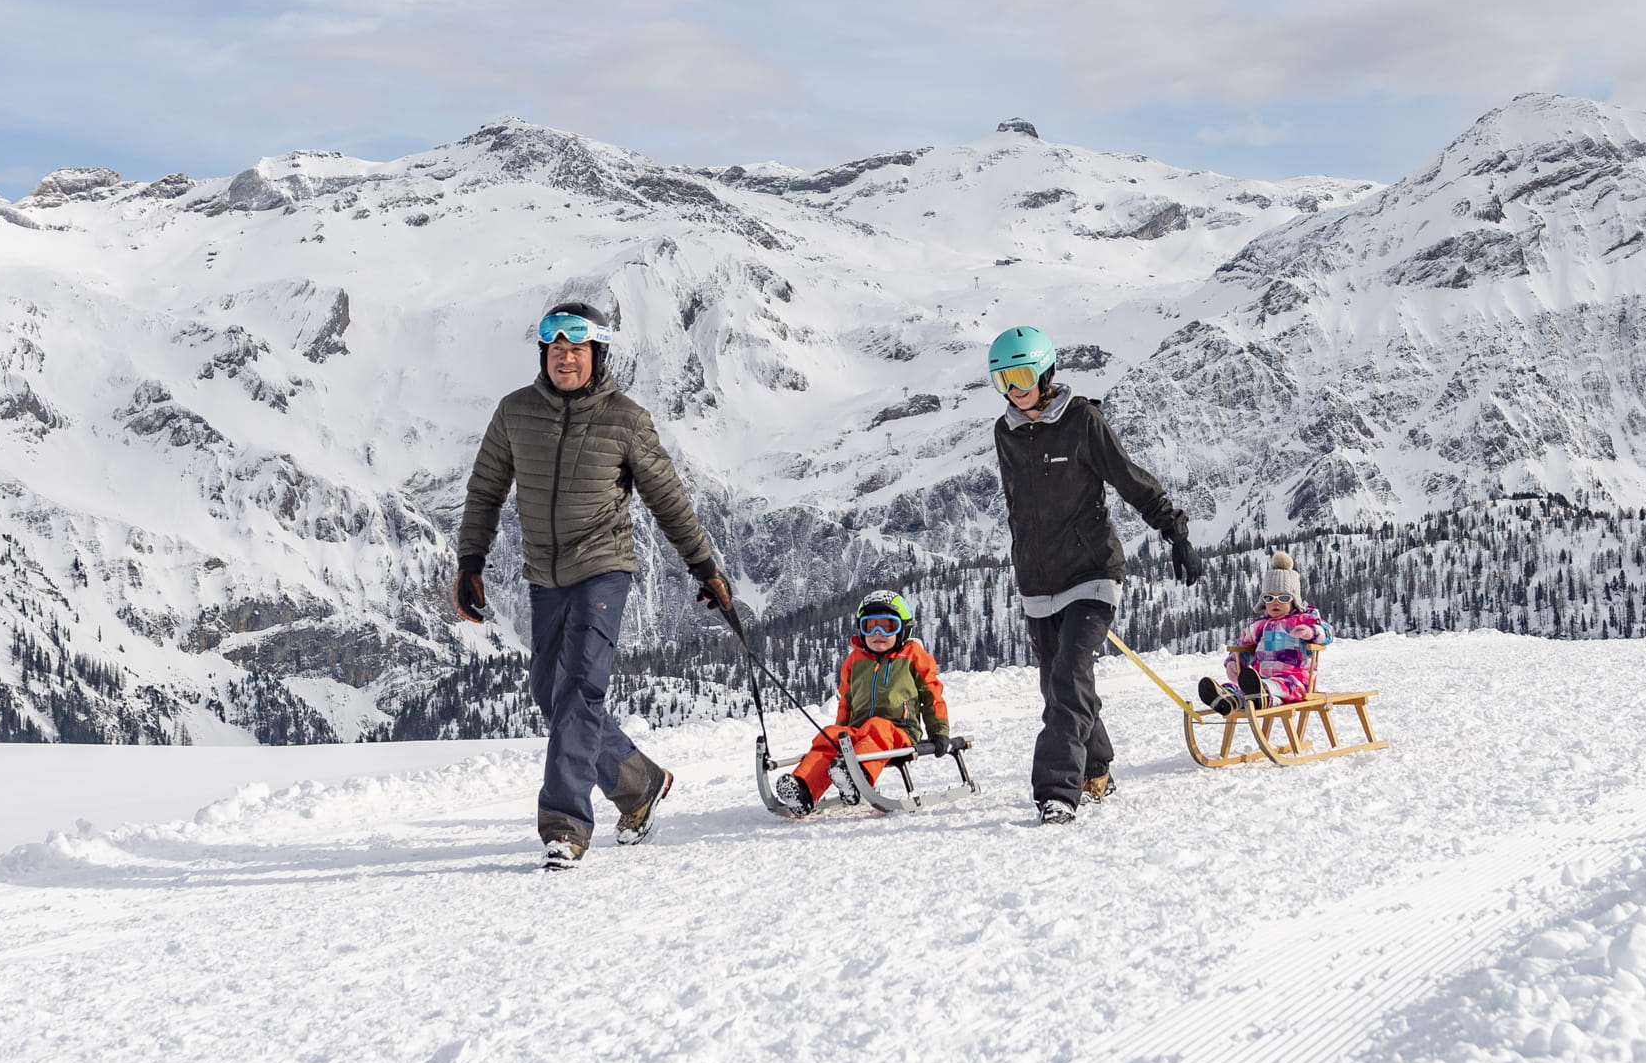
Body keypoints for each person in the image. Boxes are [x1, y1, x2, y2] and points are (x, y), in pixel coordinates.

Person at [456, 301, 735, 870]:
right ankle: (639, 783)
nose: (565, 358)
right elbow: (485, 491)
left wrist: (703, 566)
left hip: (603, 568)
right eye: (555, 348)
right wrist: (470, 563)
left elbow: (667, 499)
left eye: (576, 349)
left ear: (596, 354)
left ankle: (565, 826)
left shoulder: (625, 420)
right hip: (544, 574)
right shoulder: (514, 412)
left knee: (581, 690)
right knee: (549, 694)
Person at [987, 323, 1199, 825]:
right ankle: (1096, 766)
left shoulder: (1083, 420)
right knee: (1058, 685)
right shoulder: (1005, 432)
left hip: (1092, 573)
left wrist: (1175, 531)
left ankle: (1057, 792)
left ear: (1045, 372)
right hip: (1038, 583)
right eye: (1002, 380)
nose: (1014, 389)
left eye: (1022, 376)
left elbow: (1129, 478)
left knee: (1068, 679)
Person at [772, 590, 952, 815]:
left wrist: (939, 732)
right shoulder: (855, 661)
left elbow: (931, 695)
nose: (877, 634)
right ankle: (804, 789)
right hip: (858, 732)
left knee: (878, 726)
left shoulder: (913, 656)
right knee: (829, 735)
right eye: (870, 626)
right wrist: (840, 734)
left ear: (903, 629)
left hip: (900, 732)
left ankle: (858, 777)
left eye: (887, 626)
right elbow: (846, 702)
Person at [1199, 554, 1326, 715]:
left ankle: (1259, 696)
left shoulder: (1304, 619)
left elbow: (1327, 633)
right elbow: (1244, 644)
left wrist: (1311, 632)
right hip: (1259, 680)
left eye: (1283, 597)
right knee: (1245, 689)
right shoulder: (1260, 626)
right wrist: (1234, 662)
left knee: (1275, 687)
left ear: (1294, 600)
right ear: (1263, 601)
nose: (1275, 602)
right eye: (1269, 597)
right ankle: (1227, 698)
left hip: (1296, 680)